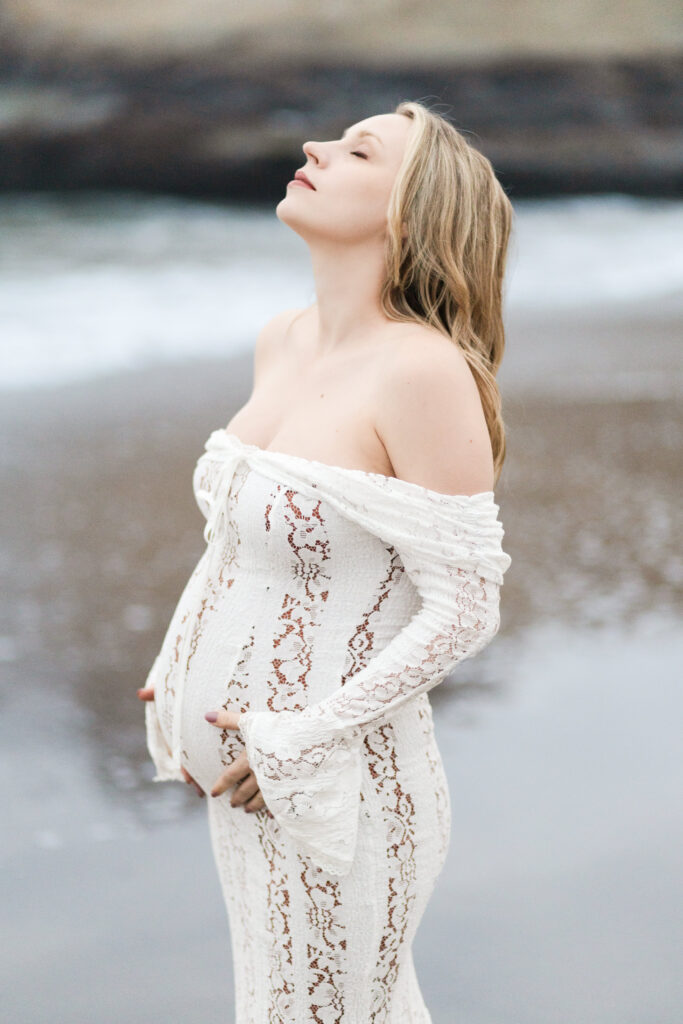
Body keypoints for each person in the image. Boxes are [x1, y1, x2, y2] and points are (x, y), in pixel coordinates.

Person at [137, 99, 514, 1023]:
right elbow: (241, 535)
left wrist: (300, 737)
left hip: (344, 790)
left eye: (356, 151)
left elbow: (466, 606)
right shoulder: (284, 337)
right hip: (253, 791)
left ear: (408, 211)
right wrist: (177, 666)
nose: (313, 147)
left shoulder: (422, 371)